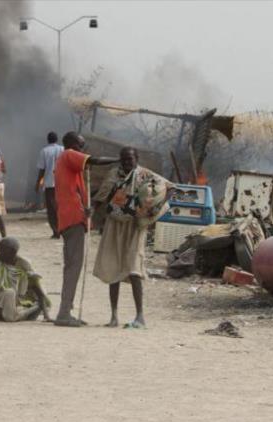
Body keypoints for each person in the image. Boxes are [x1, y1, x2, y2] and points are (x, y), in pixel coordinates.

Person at [92, 146, 172, 329]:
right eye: (124, 159)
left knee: (134, 269)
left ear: (136, 159)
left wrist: (155, 209)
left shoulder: (145, 175)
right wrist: (92, 211)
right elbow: (102, 196)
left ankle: (140, 316)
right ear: (121, 160)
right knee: (113, 268)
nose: (128, 162)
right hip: (114, 224)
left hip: (135, 226)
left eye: (131, 159)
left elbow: (170, 187)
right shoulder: (113, 175)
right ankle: (113, 317)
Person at [53, 131, 119, 327]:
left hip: (74, 217)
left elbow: (75, 190)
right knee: (73, 267)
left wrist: (86, 206)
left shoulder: (69, 164)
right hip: (72, 218)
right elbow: (95, 160)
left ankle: (66, 310)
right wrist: (117, 159)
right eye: (81, 146)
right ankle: (64, 313)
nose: (83, 150)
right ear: (73, 144)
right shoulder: (69, 155)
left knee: (72, 266)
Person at [0, 236, 51, 322]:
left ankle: (20, 312)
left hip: (17, 304)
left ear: (12, 252)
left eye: (1, 250)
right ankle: (24, 313)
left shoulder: (24, 265)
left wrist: (46, 316)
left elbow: (38, 290)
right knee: (9, 292)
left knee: (10, 294)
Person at [36, 131, 63, 238]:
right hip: (62, 183)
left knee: (51, 209)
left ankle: (56, 231)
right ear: (57, 139)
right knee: (60, 207)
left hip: (50, 184)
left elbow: (42, 170)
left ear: (47, 140)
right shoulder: (63, 149)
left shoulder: (44, 151)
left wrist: (38, 183)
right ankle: (62, 229)